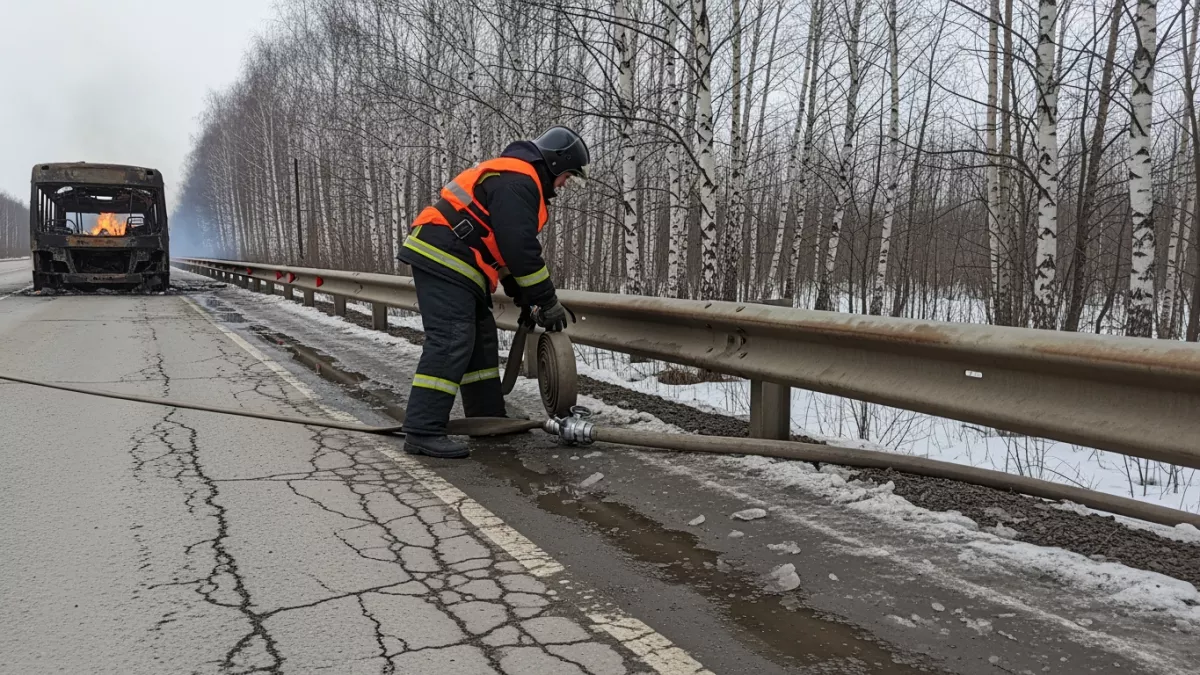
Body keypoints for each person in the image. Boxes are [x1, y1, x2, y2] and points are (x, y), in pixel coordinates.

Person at [397, 126, 590, 459]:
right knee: (452, 339)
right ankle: (422, 430)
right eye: (567, 176)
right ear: (556, 164)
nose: (565, 184)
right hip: (444, 254)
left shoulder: (517, 180)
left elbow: (504, 252)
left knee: (480, 340)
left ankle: (487, 419)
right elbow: (520, 250)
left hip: (462, 262)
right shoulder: (519, 181)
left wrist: (526, 298)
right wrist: (546, 300)